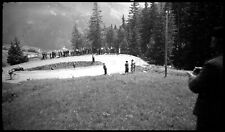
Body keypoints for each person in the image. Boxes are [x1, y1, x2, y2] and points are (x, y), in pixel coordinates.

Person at [187, 26, 223, 130]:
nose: (211, 42)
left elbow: (195, 86)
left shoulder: (212, 65)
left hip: (210, 115)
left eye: (213, 39)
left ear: (217, 41)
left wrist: (192, 77)